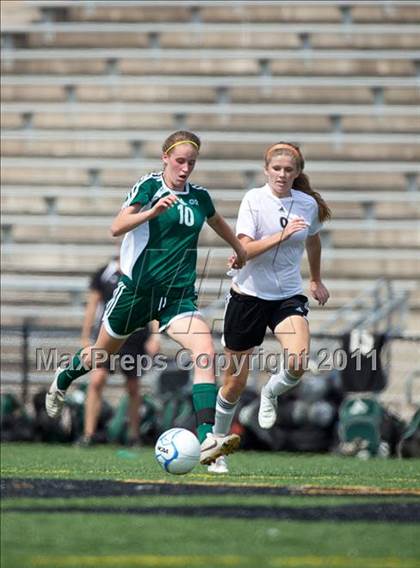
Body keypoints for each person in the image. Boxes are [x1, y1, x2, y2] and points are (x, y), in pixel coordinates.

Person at [46, 130, 247, 465]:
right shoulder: (150, 186)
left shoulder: (199, 197)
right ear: (165, 158)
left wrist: (239, 248)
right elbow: (117, 226)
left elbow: (216, 221)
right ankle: (63, 378)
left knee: (205, 351)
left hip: (177, 296)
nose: (185, 168)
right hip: (136, 293)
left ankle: (207, 440)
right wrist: (151, 213)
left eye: (191, 163)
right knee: (99, 355)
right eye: (180, 161)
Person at [208, 142, 331, 474]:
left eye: (289, 170)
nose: (282, 174)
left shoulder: (306, 204)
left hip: (286, 296)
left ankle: (270, 393)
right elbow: (245, 248)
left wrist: (316, 279)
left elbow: (313, 239)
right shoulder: (253, 199)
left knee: (298, 359)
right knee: (233, 383)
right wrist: (281, 234)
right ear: (266, 170)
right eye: (277, 169)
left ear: (297, 173)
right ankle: (216, 448)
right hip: (248, 295)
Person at [78, 256, 160, 447]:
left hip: (136, 337)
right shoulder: (105, 272)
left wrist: (156, 336)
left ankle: (134, 436)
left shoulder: (144, 270)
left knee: (133, 386)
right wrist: (85, 336)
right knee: (97, 380)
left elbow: (152, 303)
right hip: (108, 335)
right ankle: (88, 434)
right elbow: (92, 305)